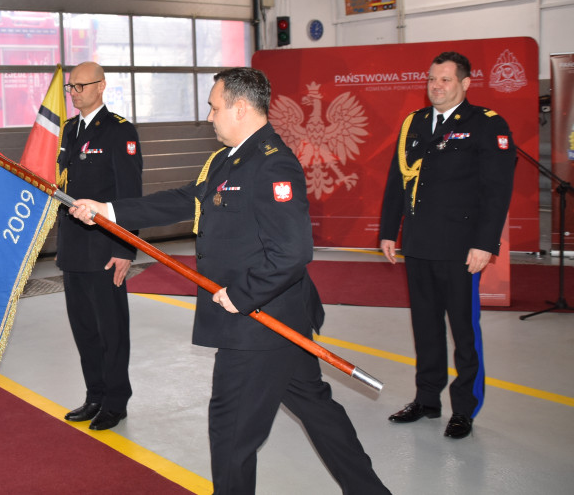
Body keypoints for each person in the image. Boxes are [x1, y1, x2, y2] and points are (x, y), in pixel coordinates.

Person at [71, 67, 389, 494]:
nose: (209, 117)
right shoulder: (225, 159)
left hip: (257, 321)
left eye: (214, 107)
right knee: (317, 410)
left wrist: (243, 295)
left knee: (231, 433)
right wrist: (108, 211)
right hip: (278, 321)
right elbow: (185, 200)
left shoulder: (274, 165)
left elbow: (293, 252)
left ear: (240, 108)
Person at [379, 51, 515, 440]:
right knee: (425, 327)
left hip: (461, 248)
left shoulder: (486, 125)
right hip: (419, 244)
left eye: (445, 80)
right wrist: (390, 231)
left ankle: (465, 408)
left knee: (464, 331)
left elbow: (496, 191)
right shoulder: (415, 124)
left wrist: (484, 244)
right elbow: (396, 181)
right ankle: (427, 399)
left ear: (465, 84)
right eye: (432, 80)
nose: (436, 87)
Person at [56, 61, 142, 432]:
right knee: (85, 329)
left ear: (101, 86)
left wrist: (125, 249)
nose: (73, 93)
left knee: (111, 331)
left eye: (79, 86)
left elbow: (130, 195)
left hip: (106, 250)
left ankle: (115, 401)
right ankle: (94, 395)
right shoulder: (69, 129)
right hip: (73, 248)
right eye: (70, 87)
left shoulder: (119, 131)